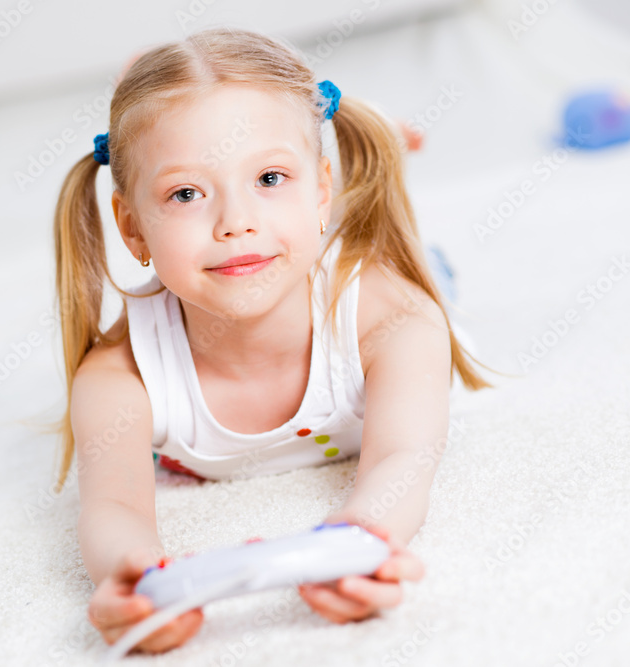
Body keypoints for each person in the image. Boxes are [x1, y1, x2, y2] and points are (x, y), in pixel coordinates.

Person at [48, 27, 496, 656]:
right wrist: (135, 577)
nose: (235, 222)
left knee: (425, 267)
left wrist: (363, 538)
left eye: (269, 177)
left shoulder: (393, 319)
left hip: (380, 279)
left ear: (319, 187)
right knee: (274, 243)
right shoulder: (119, 377)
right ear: (132, 229)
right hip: (297, 244)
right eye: (185, 193)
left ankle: (372, 152)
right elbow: (111, 505)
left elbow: (404, 458)